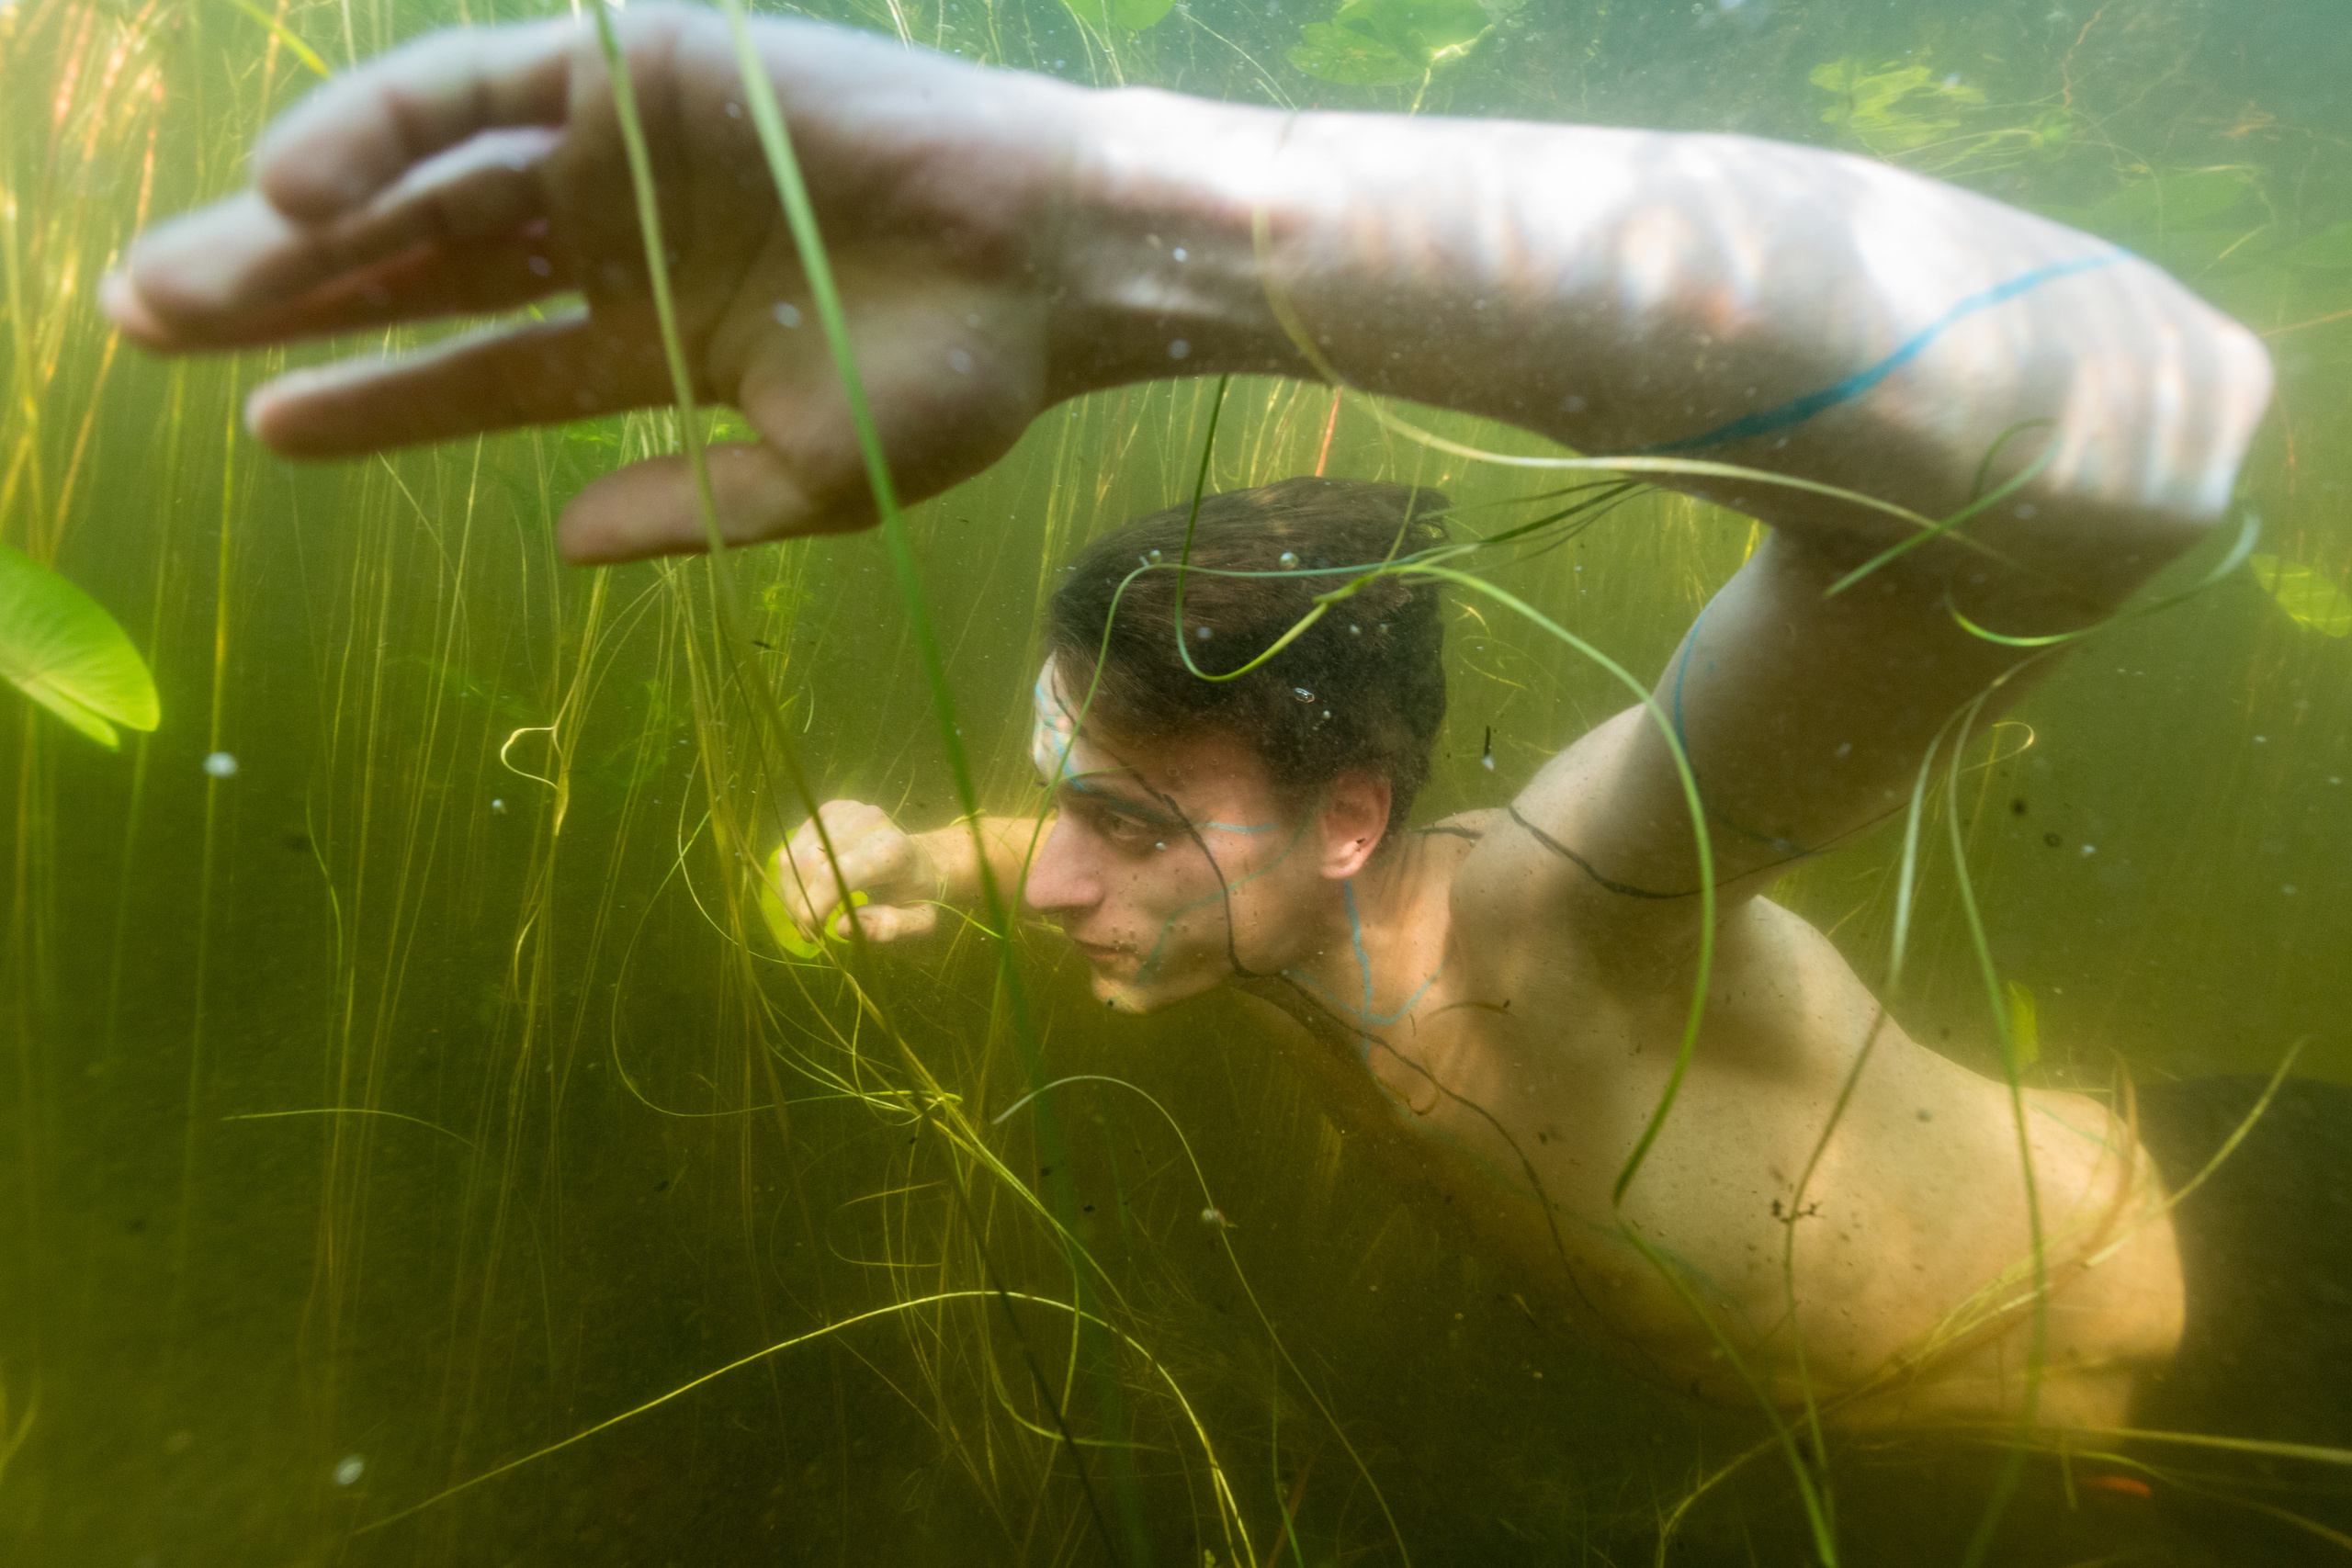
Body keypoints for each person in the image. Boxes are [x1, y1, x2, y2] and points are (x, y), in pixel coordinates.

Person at [102, 3, 2292, 1450]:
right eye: (1069, 806)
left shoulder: (1576, 912)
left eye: (1119, 825)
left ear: (1354, 820)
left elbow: (2116, 444)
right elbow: (1127, 845)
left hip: (2271, 1285)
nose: (1065, 876)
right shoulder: (1272, 906)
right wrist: (928, 851)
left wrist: (1149, 226)